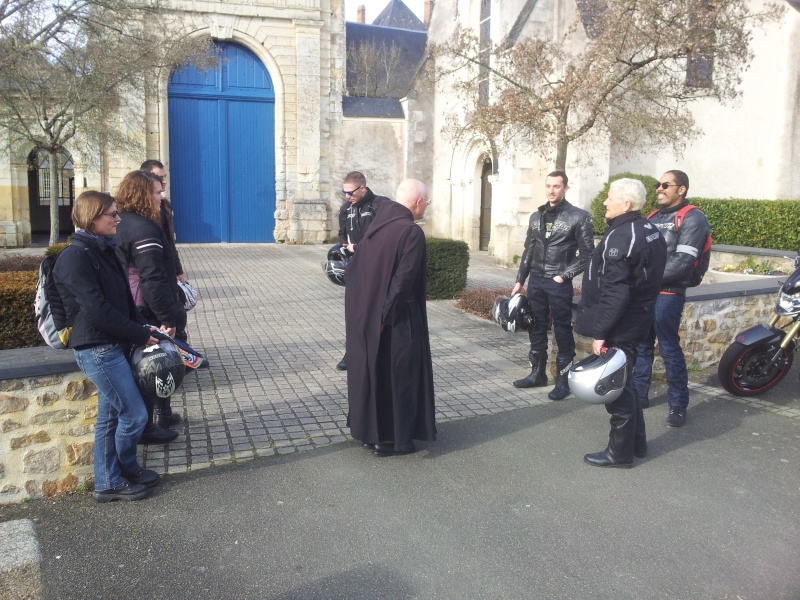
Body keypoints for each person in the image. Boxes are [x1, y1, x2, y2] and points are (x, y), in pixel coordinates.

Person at [52, 191, 162, 502]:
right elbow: (96, 309)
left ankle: (109, 480)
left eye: (116, 212)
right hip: (97, 349)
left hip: (112, 344)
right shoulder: (75, 257)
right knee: (134, 416)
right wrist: (138, 335)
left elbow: (123, 302)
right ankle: (122, 471)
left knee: (111, 417)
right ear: (90, 217)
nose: (117, 218)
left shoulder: (103, 249)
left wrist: (146, 326)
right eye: (110, 214)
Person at [574, 179, 667, 468]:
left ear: (626, 204)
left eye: (610, 198)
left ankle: (620, 453)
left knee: (617, 388)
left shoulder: (622, 236)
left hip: (622, 323)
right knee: (626, 382)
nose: (605, 202)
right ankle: (636, 444)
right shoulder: (650, 229)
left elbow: (617, 291)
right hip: (638, 317)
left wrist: (601, 333)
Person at [344, 178, 435, 456]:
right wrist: (385, 318)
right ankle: (395, 440)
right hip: (397, 319)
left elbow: (356, 271)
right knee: (400, 378)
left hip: (370, 317)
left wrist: (369, 317)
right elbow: (403, 281)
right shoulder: (411, 232)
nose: (426, 208)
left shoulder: (376, 227)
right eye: (426, 202)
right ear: (418, 203)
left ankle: (373, 436)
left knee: (377, 375)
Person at [633, 170, 711, 427]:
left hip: (668, 294)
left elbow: (682, 265)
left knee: (668, 349)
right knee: (642, 346)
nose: (659, 189)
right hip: (646, 293)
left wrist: (643, 279)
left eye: (666, 185)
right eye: (657, 184)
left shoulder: (693, 218)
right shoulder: (653, 217)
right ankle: (639, 394)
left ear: (682, 189)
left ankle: (678, 404)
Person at [115, 170, 186, 438]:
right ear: (144, 194)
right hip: (145, 307)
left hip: (130, 304)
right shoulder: (144, 228)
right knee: (153, 364)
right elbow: (152, 279)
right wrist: (170, 318)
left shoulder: (123, 222)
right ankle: (148, 427)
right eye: (157, 192)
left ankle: (158, 418)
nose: (161, 196)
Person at [511, 171, 594, 400]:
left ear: (565, 188)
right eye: (548, 186)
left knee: (562, 328)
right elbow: (529, 250)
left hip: (558, 283)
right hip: (536, 280)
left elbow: (587, 254)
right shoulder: (536, 217)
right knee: (535, 325)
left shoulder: (579, 216)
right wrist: (520, 279)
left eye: (556, 186)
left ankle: (563, 381)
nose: (551, 190)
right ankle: (537, 374)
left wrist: (564, 275)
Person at [335, 171, 389, 371]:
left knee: (378, 312)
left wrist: (360, 248)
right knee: (355, 313)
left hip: (377, 269)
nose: (347, 196)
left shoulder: (380, 205)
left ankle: (379, 353)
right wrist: (345, 248)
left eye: (350, 193)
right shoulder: (345, 209)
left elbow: (385, 238)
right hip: (355, 268)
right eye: (344, 192)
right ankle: (353, 353)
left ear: (363, 188)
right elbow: (342, 234)